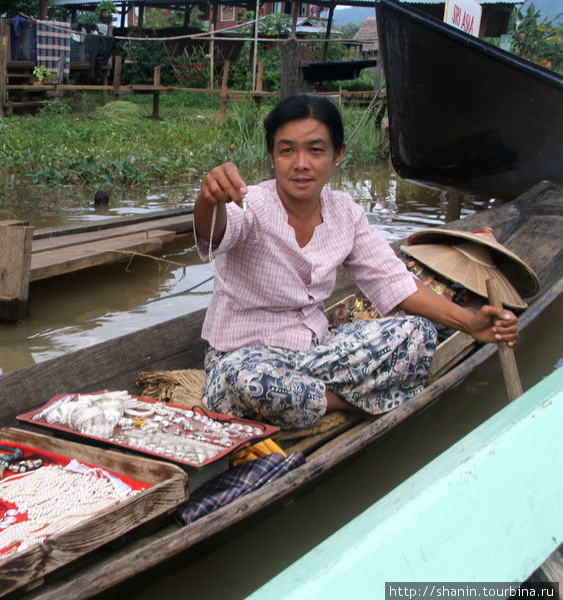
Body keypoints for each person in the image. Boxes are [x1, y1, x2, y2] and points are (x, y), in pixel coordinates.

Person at [194, 94, 518, 429]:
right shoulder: (251, 205)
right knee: (246, 381)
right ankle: (353, 403)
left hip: (317, 356)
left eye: (316, 150)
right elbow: (215, 230)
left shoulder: (346, 212)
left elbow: (394, 282)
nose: (301, 163)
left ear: (339, 155)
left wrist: (470, 323)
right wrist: (209, 199)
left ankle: (304, 401)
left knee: (417, 332)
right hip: (247, 359)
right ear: (272, 156)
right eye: (287, 150)